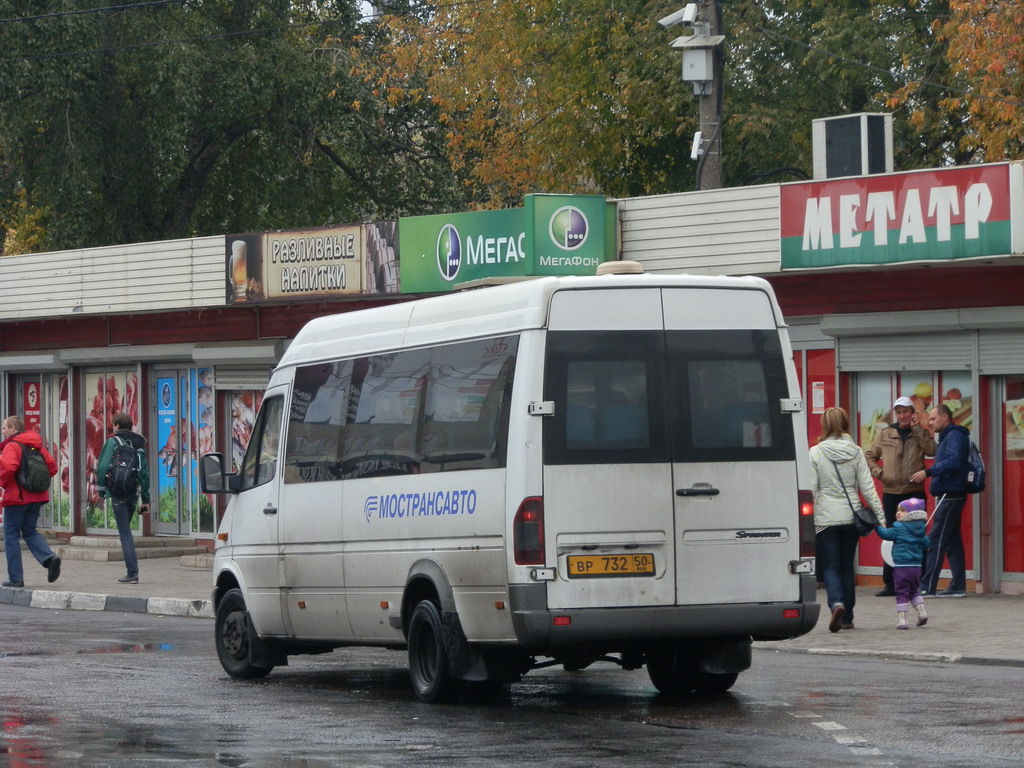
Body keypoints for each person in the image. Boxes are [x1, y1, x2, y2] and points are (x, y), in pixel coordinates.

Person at [808, 407, 885, 632]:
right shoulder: (856, 451)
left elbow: (812, 489)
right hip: (851, 518)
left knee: (831, 567)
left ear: (825, 425)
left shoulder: (815, 452)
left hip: (825, 520)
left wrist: (803, 520)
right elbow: (868, 488)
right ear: (845, 423)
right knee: (846, 568)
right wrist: (881, 518)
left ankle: (836, 603)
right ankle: (847, 617)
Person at [865, 396, 936, 597]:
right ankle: (890, 583)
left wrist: (917, 430)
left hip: (913, 494)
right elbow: (869, 455)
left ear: (912, 413)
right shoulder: (886, 433)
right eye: (899, 412)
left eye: (906, 411)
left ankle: (919, 581)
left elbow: (932, 450)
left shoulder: (919, 432)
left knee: (916, 535)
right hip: (891, 493)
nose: (903, 415)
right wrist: (880, 474)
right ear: (895, 414)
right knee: (891, 537)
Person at [911, 403, 970, 598]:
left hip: (950, 494)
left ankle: (927, 586)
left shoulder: (953, 436)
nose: (930, 421)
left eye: (934, 418)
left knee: (935, 540)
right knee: (952, 541)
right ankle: (958, 584)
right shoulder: (950, 436)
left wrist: (928, 472)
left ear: (945, 418)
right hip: (949, 493)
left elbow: (953, 462)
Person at [0, 416, 60, 588]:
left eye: (4, 428)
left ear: (12, 428)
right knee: (30, 531)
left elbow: (8, 468)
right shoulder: (36, 445)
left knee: (11, 536)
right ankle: (50, 558)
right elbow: (53, 467)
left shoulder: (13, 446)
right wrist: (34, 483)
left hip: (16, 497)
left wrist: (4, 484)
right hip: (37, 497)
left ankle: (15, 578)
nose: (3, 431)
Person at [95, 412, 151, 584]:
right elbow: (144, 473)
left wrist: (101, 492)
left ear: (117, 426)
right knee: (127, 530)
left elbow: (103, 467)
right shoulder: (138, 445)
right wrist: (146, 499)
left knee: (125, 533)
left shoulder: (112, 442)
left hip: (117, 493)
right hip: (132, 493)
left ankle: (132, 573)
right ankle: (132, 571)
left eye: (113, 424)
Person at [874, 497, 930, 629]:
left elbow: (886, 534)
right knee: (914, 591)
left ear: (911, 513)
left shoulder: (899, 527)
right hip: (916, 567)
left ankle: (903, 621)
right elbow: (926, 544)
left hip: (902, 567)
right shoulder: (921, 529)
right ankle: (922, 613)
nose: (898, 513)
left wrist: (876, 527)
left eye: (903, 511)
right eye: (898, 510)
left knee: (901, 592)